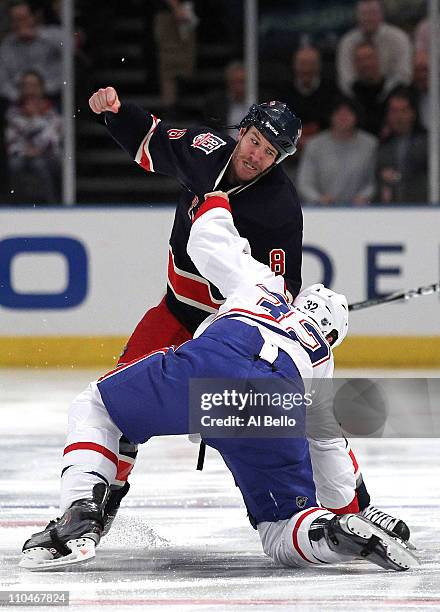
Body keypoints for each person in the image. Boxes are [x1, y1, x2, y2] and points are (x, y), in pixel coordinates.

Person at [19, 192, 417, 572]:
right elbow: (329, 451)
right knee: (281, 529)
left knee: (98, 406)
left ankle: (81, 511)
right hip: (277, 398)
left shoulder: (264, 284)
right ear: (332, 337)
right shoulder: (321, 362)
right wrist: (351, 510)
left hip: (213, 363)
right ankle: (328, 534)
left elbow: (210, 241)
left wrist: (212, 195)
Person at [88, 87, 409, 540]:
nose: (257, 154)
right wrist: (117, 113)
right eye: (255, 140)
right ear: (243, 131)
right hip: (176, 313)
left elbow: (282, 288)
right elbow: (152, 138)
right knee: (115, 400)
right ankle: (97, 504)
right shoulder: (202, 148)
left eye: (270, 151)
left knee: (306, 416)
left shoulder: (279, 209)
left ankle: (356, 507)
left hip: (228, 334)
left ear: (280, 159)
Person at [297, 97, 378, 205]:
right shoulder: (314, 145)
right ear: (330, 116)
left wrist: (364, 196)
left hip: (360, 210)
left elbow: (374, 180)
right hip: (321, 210)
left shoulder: (370, 144)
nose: (343, 117)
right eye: (338, 113)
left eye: (348, 113)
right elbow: (304, 182)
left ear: (356, 116)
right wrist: (318, 198)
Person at [6, 70, 62, 204]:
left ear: (41, 88)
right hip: (22, 155)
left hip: (48, 156)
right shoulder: (13, 112)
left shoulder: (52, 111)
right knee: (15, 164)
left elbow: (52, 140)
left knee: (40, 164)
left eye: (34, 85)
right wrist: (25, 150)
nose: (30, 90)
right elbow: (11, 141)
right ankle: (16, 204)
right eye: (27, 85)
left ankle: (51, 203)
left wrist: (35, 117)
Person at [336, 0, 412, 97]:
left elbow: (404, 75)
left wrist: (383, 97)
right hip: (358, 97)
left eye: (373, 13)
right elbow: (345, 80)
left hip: (393, 96)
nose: (368, 18)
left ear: (382, 15)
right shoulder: (347, 42)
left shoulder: (399, 38)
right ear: (357, 17)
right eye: (364, 14)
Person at [0, 1, 62, 104]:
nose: (21, 24)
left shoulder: (53, 34)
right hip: (19, 100)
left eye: (24, 18)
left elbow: (69, 46)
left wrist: (37, 34)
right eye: (16, 20)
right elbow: (2, 81)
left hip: (52, 96)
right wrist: (18, 97)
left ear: (34, 17)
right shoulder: (6, 46)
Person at [376, 91, 427, 204]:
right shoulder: (382, 145)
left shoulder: (427, 143)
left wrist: (397, 177)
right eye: (394, 111)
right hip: (392, 211)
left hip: (423, 208)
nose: (399, 116)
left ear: (413, 113)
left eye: (403, 111)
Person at [351, 42, 402, 136]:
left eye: (369, 58)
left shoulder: (396, 90)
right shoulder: (349, 94)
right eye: (360, 60)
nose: (365, 64)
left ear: (378, 60)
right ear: (354, 65)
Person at [202, 61, 248, 139]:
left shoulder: (258, 102)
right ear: (228, 82)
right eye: (235, 82)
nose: (239, 87)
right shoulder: (216, 104)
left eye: (242, 82)